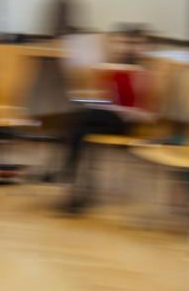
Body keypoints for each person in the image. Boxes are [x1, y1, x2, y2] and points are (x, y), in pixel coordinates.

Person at [58, 25, 156, 213]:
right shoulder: (112, 67)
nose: (127, 48)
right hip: (107, 119)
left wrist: (127, 109)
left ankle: (67, 172)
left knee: (79, 120)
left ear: (142, 46)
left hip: (128, 124)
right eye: (122, 43)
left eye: (133, 43)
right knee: (80, 130)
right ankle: (78, 195)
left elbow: (150, 113)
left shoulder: (147, 72)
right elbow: (107, 98)